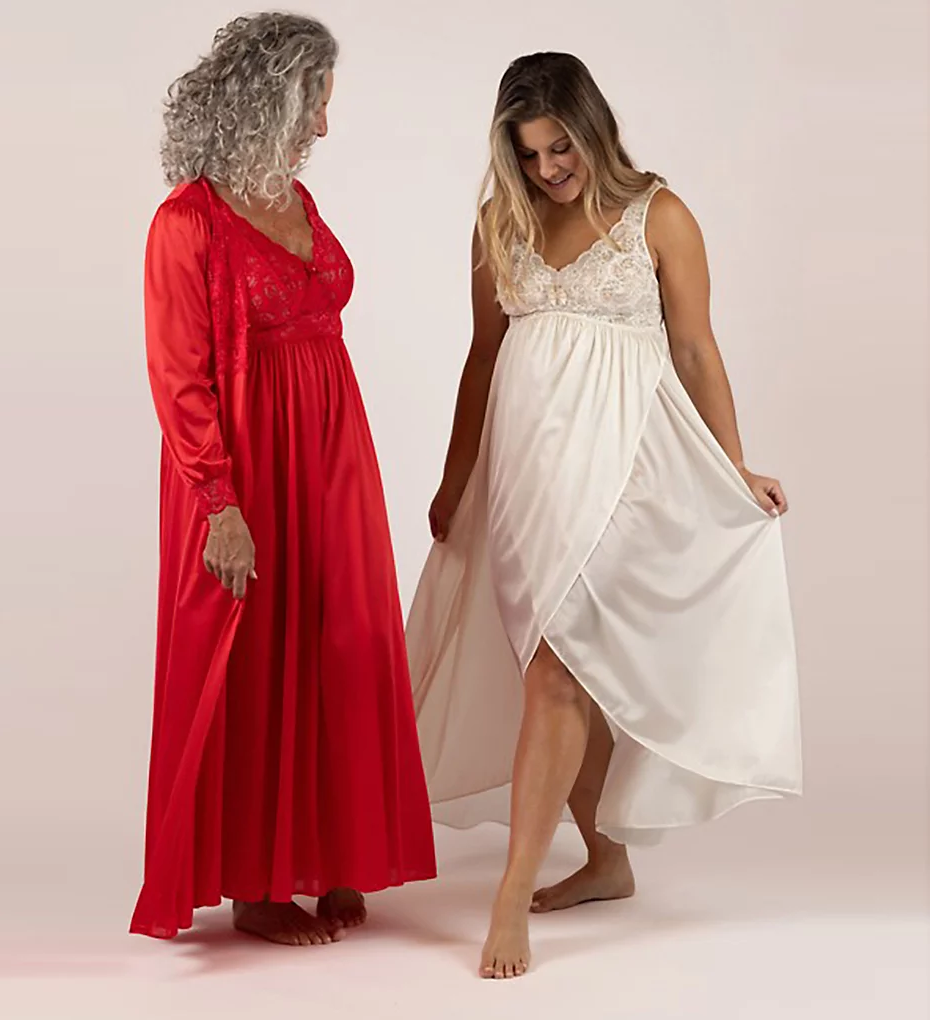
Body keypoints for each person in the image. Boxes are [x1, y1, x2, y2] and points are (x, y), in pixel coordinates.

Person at [406, 51, 801, 979]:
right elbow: (481, 357)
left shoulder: (659, 216)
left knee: (557, 668)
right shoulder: (499, 223)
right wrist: (456, 479)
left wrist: (731, 466)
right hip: (525, 481)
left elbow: (695, 349)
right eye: (528, 151)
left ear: (594, 128)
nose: (547, 168)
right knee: (563, 668)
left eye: (561, 147)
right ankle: (606, 860)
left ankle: (510, 900)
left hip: (626, 472)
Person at [131, 13, 436, 945]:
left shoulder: (295, 196)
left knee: (340, 637)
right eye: (314, 105)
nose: (324, 127)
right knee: (258, 653)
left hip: (333, 453)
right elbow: (178, 377)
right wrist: (219, 506)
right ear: (266, 101)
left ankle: (334, 851)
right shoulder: (186, 222)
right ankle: (257, 886)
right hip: (247, 464)